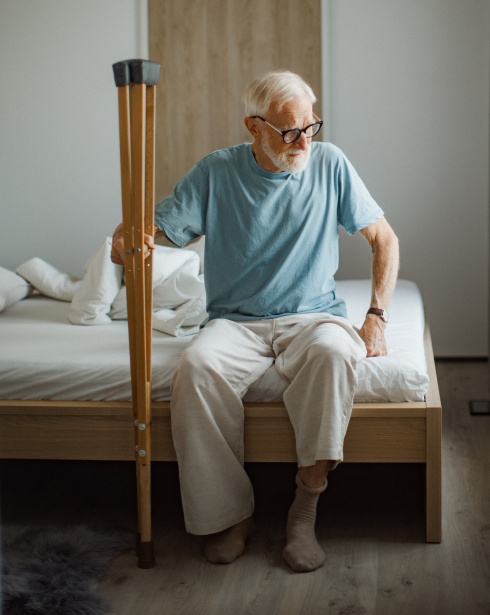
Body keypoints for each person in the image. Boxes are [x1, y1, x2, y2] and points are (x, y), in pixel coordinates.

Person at [111, 70, 399, 572]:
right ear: (254, 127)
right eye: (290, 131)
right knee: (195, 370)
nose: (304, 140)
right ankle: (231, 516)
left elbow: (385, 240)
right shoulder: (215, 172)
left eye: (311, 126)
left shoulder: (330, 164)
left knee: (335, 356)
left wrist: (375, 315)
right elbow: (155, 230)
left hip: (314, 316)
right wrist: (128, 235)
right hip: (236, 321)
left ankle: (303, 513)